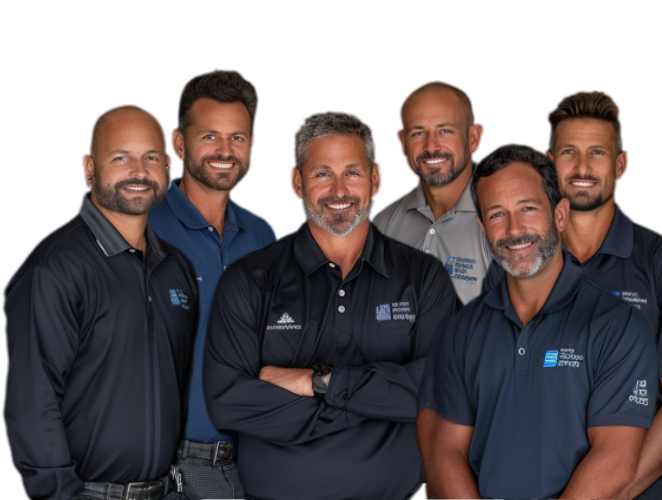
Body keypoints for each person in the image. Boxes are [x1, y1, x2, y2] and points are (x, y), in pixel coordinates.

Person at [203, 111, 457, 500]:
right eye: (322, 173)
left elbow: (442, 392)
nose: (339, 190)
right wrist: (379, 406)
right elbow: (229, 404)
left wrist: (319, 382)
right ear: (296, 182)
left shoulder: (423, 277)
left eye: (352, 173)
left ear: (375, 179)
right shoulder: (249, 279)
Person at [419, 143, 659, 500]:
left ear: (560, 215)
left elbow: (616, 459)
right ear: (483, 227)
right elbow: (445, 450)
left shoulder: (619, 326)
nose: (515, 230)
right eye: (497, 214)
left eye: (527, 209)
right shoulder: (458, 331)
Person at [4, 105, 197, 500]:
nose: (139, 172)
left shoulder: (176, 269)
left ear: (166, 166)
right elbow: (32, 401)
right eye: (120, 157)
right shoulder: (54, 268)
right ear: (89, 168)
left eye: (150, 158)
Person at [543, 91, 662, 500]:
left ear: (621, 164)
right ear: (549, 164)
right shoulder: (515, 264)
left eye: (597, 153)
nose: (582, 167)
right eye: (569, 152)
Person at [148, 69, 275, 499]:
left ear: (252, 144)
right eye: (210, 137)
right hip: (171, 470)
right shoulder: (144, 225)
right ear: (179, 143)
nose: (225, 150)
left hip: (251, 463)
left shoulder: (261, 235)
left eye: (237, 137)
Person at [373, 81, 491, 306]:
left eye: (445, 131)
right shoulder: (382, 226)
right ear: (402, 143)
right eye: (418, 133)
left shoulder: (508, 219)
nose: (430, 146)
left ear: (474, 138)